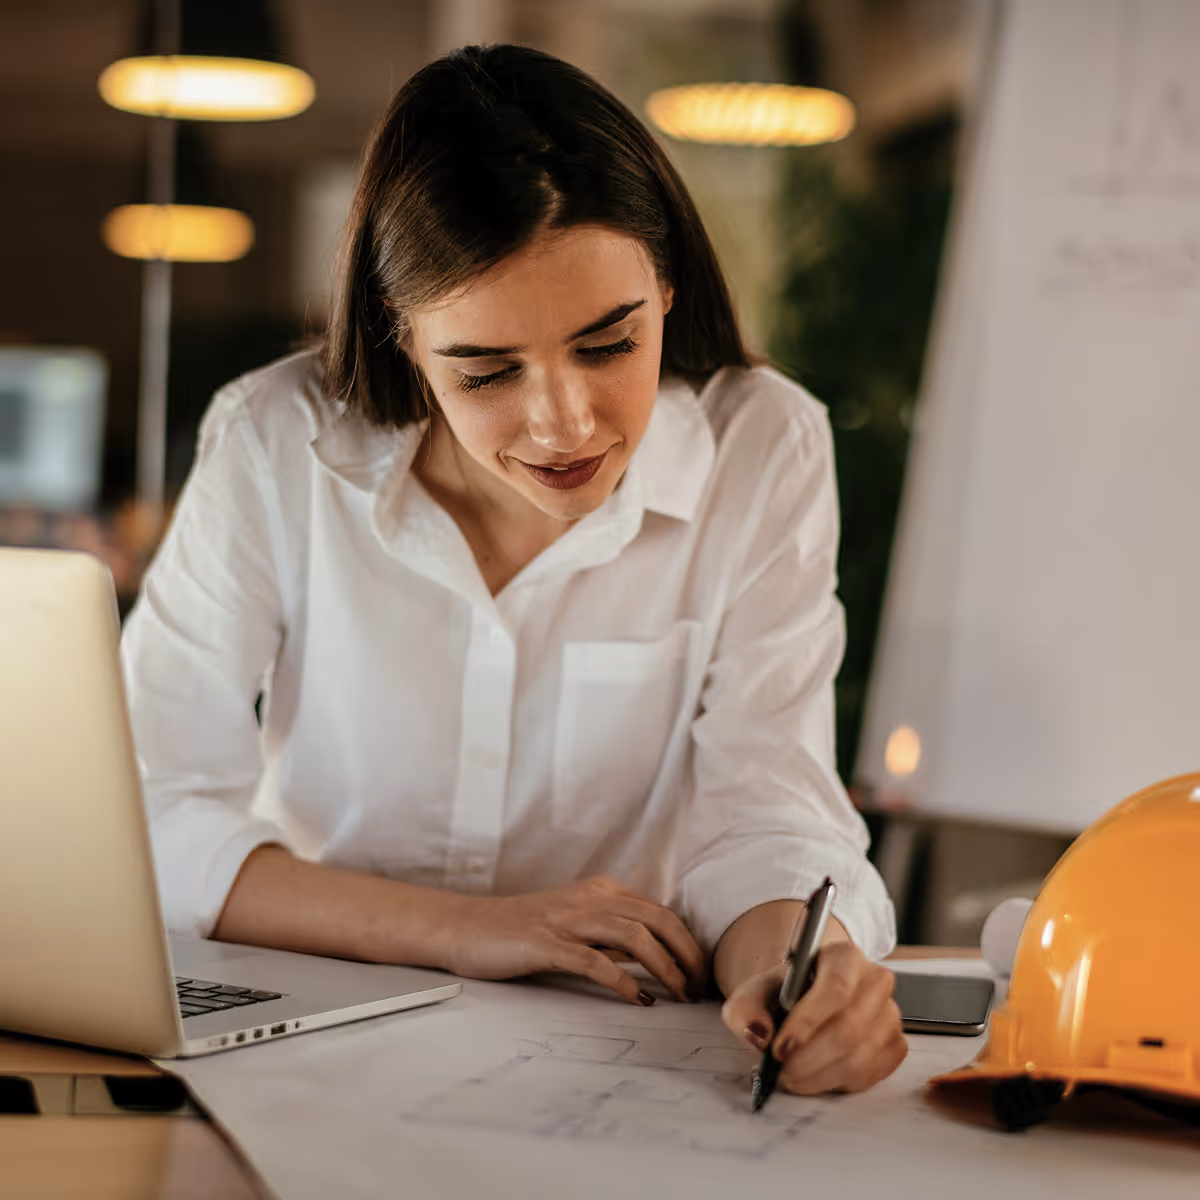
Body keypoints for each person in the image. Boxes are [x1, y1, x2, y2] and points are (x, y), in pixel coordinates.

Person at [122, 44, 905, 1096]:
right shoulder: (273, 440)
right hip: (312, 1050)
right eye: (487, 371)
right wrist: (470, 930)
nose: (565, 423)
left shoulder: (763, 447)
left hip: (619, 1067)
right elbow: (153, 813)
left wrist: (801, 975)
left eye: (608, 344)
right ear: (402, 340)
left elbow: (766, 819)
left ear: (665, 286)